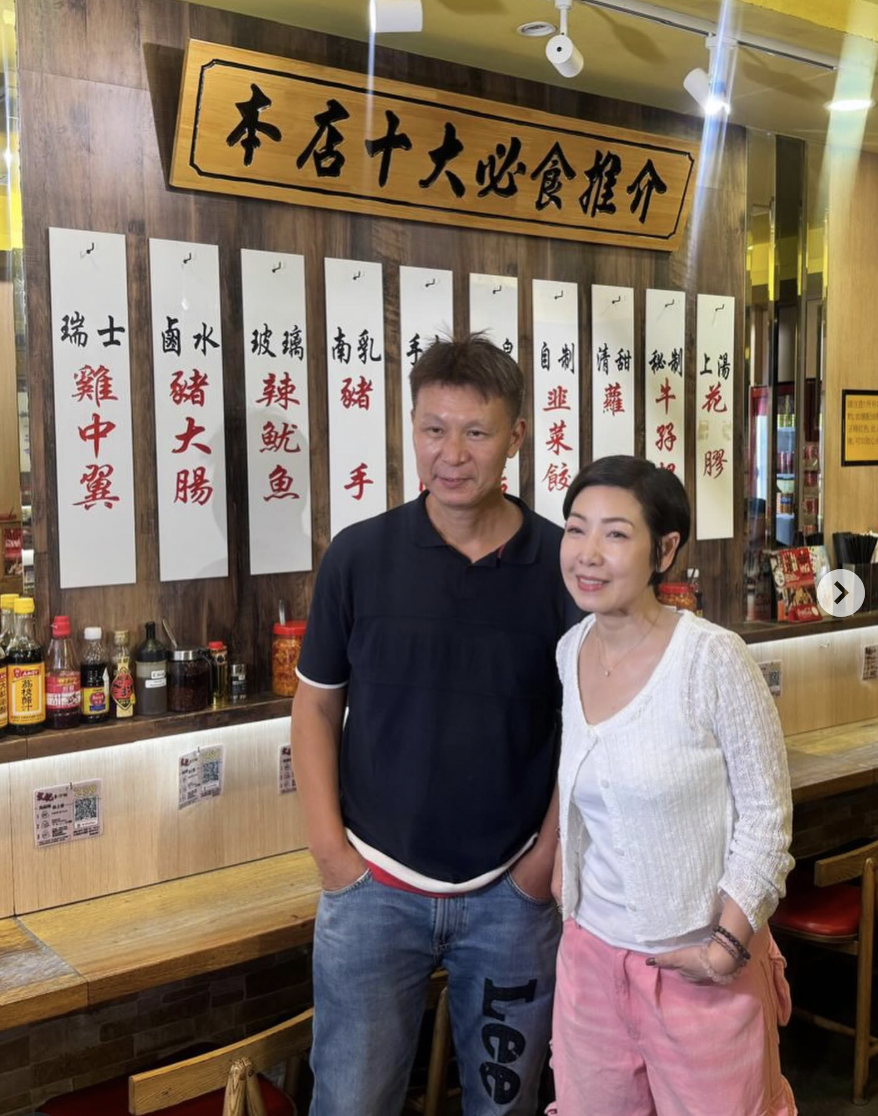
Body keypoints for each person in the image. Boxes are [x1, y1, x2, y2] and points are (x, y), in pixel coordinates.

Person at [291, 335, 578, 1116]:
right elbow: (316, 703)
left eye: (476, 432)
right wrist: (332, 857)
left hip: (512, 898)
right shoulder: (359, 556)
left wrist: (542, 866)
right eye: (432, 429)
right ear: (410, 428)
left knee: (505, 1108)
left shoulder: (562, 567)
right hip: (373, 894)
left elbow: (587, 732)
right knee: (350, 1103)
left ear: (517, 436)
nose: (451, 455)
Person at [549, 455, 796, 1116]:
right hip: (592, 964)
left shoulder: (713, 658)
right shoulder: (571, 650)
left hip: (699, 965)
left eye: (616, 534)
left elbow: (767, 816)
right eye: (576, 529)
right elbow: (578, 776)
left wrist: (727, 947)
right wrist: (560, 874)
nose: (588, 553)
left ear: (664, 550)